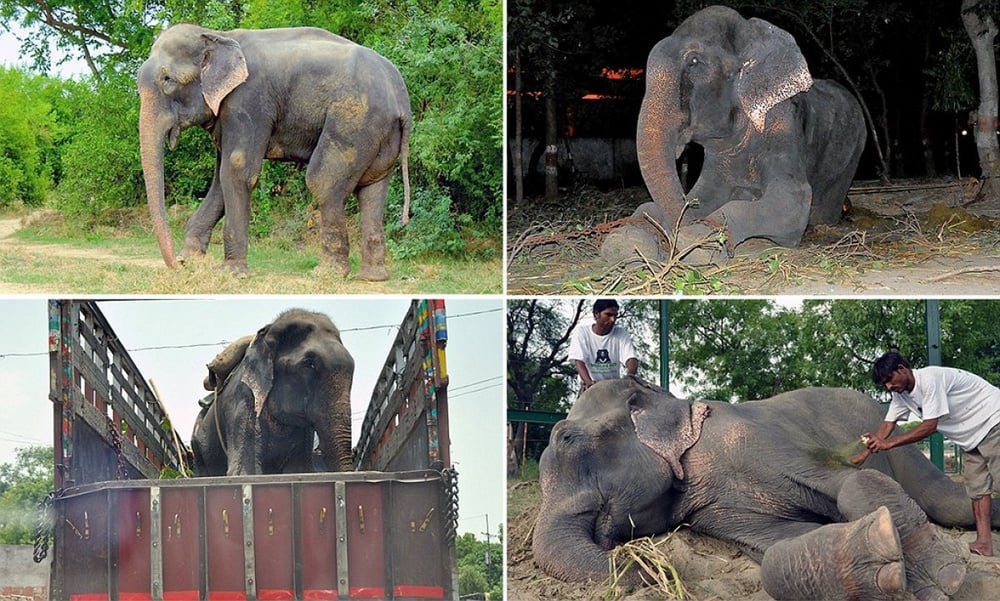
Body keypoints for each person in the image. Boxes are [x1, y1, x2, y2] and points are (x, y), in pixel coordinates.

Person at [853, 351, 1000, 556]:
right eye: (884, 384)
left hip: (993, 421)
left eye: (889, 380)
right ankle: (984, 544)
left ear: (902, 369)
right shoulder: (901, 395)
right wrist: (865, 453)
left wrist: (889, 444)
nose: (888, 387)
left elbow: (930, 425)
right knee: (978, 491)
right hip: (970, 438)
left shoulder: (931, 379)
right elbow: (888, 423)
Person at [567, 299, 638, 392]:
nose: (613, 320)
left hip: (614, 387)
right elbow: (579, 361)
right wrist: (589, 384)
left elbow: (631, 358)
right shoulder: (582, 332)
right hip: (590, 386)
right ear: (596, 314)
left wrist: (629, 377)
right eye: (608, 315)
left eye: (615, 315)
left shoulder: (620, 332)